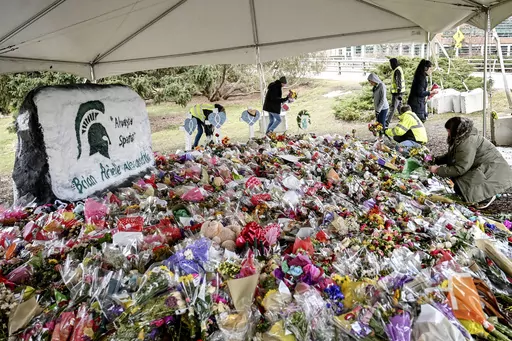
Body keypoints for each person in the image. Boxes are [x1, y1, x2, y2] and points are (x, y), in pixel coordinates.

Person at [429, 117, 512, 209]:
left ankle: (486, 197)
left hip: (492, 171)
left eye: (449, 131)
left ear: (455, 130)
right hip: (485, 167)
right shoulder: (462, 137)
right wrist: (437, 160)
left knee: (460, 181)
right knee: (458, 183)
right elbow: (454, 155)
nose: (448, 134)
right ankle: (477, 195)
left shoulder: (467, 141)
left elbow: (460, 168)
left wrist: (438, 170)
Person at [387, 58, 405, 126]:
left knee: (393, 108)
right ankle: (404, 120)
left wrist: (398, 90)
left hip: (397, 93)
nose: (390, 65)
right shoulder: (398, 69)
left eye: (391, 64)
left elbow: (398, 81)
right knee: (399, 108)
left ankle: (386, 123)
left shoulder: (397, 70)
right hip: (399, 92)